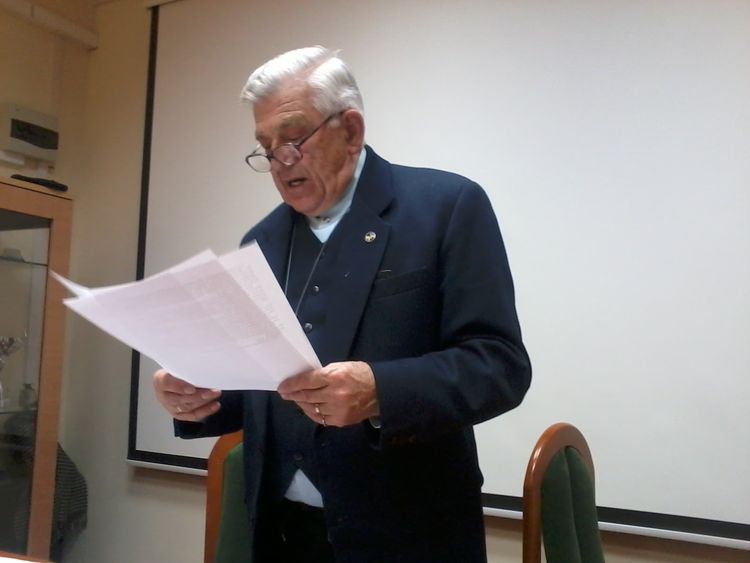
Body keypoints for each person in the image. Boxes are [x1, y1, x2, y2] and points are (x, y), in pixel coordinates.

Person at [153, 46, 531, 563]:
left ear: (350, 130)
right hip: (283, 535)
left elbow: (499, 366)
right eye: (266, 148)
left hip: (408, 537)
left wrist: (380, 392)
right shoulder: (260, 242)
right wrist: (199, 390)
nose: (280, 162)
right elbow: (263, 389)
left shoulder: (446, 207)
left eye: (293, 140)